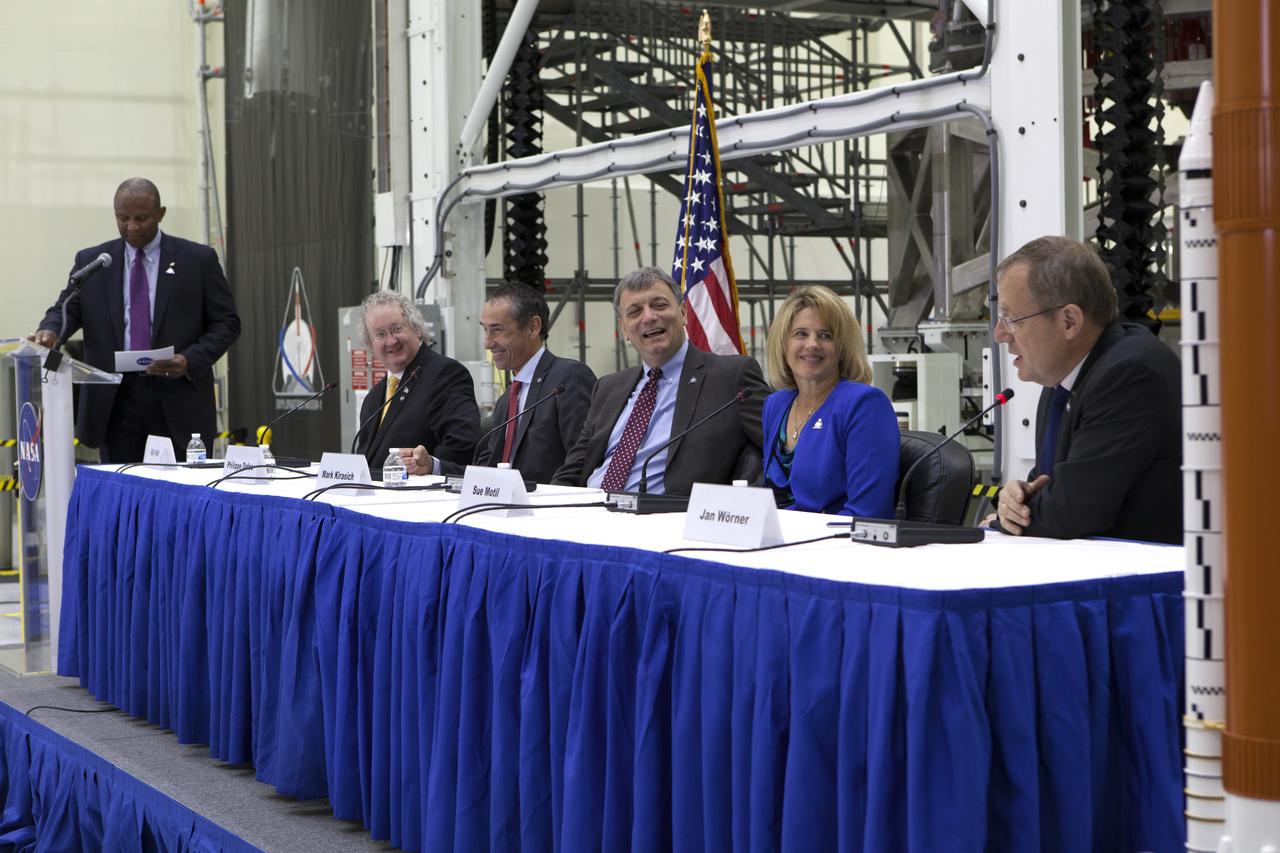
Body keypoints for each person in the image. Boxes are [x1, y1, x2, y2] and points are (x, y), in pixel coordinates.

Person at [30, 178, 241, 463]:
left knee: (176, 500)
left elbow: (227, 323)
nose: (132, 226)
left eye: (141, 218)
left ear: (161, 213)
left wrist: (190, 360)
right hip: (114, 403)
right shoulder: (93, 262)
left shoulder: (197, 260)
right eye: (123, 218)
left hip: (177, 398)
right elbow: (65, 309)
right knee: (122, 500)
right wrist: (50, 331)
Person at [990, 235, 1181, 543]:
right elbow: (1047, 486)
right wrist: (1013, 499)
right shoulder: (1063, 381)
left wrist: (1006, 520)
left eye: (1011, 320)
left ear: (1069, 321)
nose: (1000, 335)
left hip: (1152, 583)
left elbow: (1070, 512)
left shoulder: (1130, 374)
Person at [552, 267, 768, 494]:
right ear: (623, 328)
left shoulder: (731, 377)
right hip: (591, 513)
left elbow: (776, 450)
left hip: (666, 520)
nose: (649, 317)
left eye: (659, 305)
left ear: (683, 312)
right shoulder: (608, 387)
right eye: (635, 311)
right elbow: (575, 467)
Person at [401, 283, 595, 482]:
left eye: (497, 330)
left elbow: (583, 461)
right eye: (485, 330)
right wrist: (434, 466)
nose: (487, 342)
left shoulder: (567, 378)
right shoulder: (507, 400)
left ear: (533, 327)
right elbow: (485, 474)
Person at [761, 286, 899, 517]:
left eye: (826, 335)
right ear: (783, 344)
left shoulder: (864, 405)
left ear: (842, 349)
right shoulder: (775, 405)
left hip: (837, 547)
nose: (812, 344)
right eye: (801, 334)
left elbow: (868, 512)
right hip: (779, 544)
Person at [353, 290, 480, 471]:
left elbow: (463, 447)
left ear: (417, 328)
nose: (391, 341)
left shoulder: (446, 374)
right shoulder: (373, 399)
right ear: (370, 344)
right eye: (380, 334)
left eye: (397, 329)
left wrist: (431, 466)